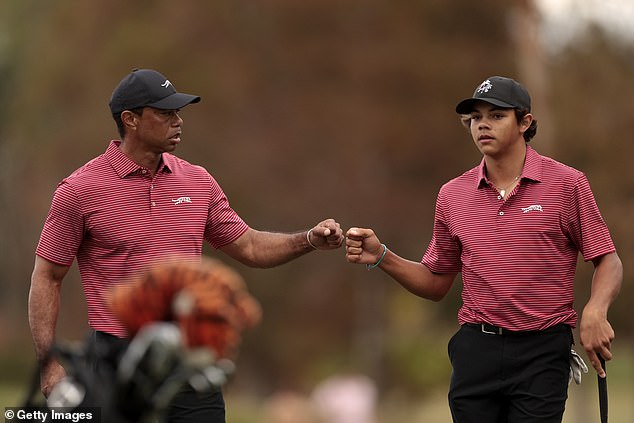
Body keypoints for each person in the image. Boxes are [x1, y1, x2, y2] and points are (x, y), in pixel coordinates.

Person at [29, 68, 344, 423]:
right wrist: (48, 363)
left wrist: (308, 240)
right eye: (165, 113)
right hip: (115, 361)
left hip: (190, 358)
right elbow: (48, 277)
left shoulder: (197, 180)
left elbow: (251, 247)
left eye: (178, 112)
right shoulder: (79, 190)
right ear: (130, 120)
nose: (178, 121)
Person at [345, 76, 622, 423]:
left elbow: (607, 258)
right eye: (475, 118)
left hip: (542, 351)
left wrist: (596, 309)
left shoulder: (567, 184)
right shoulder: (452, 194)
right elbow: (436, 283)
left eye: (496, 115)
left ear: (525, 122)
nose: (483, 125)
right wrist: (382, 256)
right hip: (477, 349)